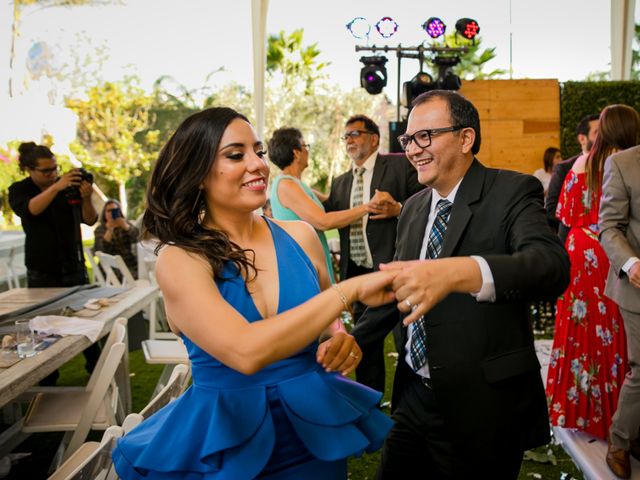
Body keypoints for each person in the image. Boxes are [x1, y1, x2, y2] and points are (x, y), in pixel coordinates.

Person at [112, 107, 395, 479]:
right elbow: (246, 351)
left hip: (312, 432)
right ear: (197, 174)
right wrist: (350, 289)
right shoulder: (181, 259)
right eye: (235, 155)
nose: (257, 165)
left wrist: (341, 339)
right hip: (227, 440)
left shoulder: (302, 238)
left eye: (258, 152)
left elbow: (330, 324)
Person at [352, 90, 570, 478]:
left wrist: (460, 272)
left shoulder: (512, 191)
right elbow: (400, 290)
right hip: (413, 396)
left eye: (426, 136)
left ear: (466, 138)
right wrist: (352, 340)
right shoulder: (415, 207)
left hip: (483, 407)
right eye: (407, 139)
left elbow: (550, 267)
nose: (414, 150)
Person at [546, 105, 636, 442]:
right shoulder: (628, 162)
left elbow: (564, 214)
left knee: (580, 330)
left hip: (579, 251)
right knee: (616, 328)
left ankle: (582, 409)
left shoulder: (580, 163)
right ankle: (616, 412)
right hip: (612, 251)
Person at [323, 115, 424, 393]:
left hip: (392, 271)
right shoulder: (340, 182)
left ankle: (410, 398)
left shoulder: (398, 166)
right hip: (355, 273)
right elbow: (329, 214)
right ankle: (370, 397)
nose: (349, 140)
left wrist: (398, 209)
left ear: (374, 139)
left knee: (404, 337)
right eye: (346, 136)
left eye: (355, 134)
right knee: (365, 344)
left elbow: (427, 201)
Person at [8, 142, 100, 384]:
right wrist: (56, 186)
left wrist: (87, 198)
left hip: (73, 264)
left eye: (55, 169)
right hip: (42, 268)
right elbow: (31, 210)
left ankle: (98, 369)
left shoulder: (67, 189)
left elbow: (90, 220)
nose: (53, 175)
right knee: (43, 326)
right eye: (46, 171)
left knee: (85, 321)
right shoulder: (19, 189)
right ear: (29, 169)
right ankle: (47, 377)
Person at [268, 127, 388, 283]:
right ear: (296, 153)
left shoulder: (298, 185)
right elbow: (323, 221)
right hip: (303, 260)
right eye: (305, 146)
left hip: (314, 255)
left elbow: (333, 201)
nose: (307, 151)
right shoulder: (286, 186)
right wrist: (368, 206)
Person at [599, 142, 640, 478]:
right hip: (636, 286)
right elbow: (609, 226)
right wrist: (631, 263)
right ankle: (620, 442)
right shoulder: (622, 163)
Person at [546, 113, 599, 241]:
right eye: (597, 132)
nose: (602, 137)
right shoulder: (564, 168)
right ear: (582, 139)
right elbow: (551, 210)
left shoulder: (612, 164)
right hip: (574, 239)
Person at [93, 199, 140, 278]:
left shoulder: (125, 224)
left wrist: (125, 226)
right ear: (104, 213)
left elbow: (139, 238)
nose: (112, 213)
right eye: (109, 211)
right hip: (110, 266)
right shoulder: (100, 229)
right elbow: (100, 250)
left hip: (128, 263)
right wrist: (110, 229)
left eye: (115, 210)